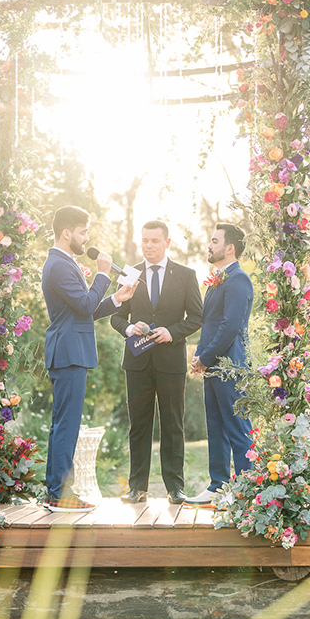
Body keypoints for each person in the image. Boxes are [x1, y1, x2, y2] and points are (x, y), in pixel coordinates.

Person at [42, 205, 136, 511]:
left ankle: (55, 491)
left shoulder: (64, 263)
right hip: (68, 352)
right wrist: (102, 275)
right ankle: (60, 493)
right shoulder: (58, 265)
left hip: (70, 349)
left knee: (63, 424)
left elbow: (86, 309)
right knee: (66, 425)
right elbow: (83, 306)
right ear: (67, 232)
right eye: (83, 232)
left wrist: (115, 299)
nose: (86, 238)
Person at [110, 220, 202, 505]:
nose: (148, 245)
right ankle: (137, 487)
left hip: (171, 361)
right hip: (137, 362)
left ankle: (176, 488)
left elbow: (197, 318)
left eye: (154, 241)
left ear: (167, 243)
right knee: (138, 425)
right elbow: (115, 315)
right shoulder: (130, 275)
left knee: (173, 426)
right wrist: (128, 328)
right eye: (144, 240)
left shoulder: (186, 275)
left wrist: (171, 332)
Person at [184, 222, 254, 506]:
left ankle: (247, 490)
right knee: (215, 427)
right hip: (214, 366)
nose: (209, 245)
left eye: (214, 241)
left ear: (229, 247)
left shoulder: (239, 279)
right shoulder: (217, 280)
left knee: (237, 428)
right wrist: (200, 357)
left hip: (232, 366)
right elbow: (210, 325)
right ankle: (218, 487)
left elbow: (230, 327)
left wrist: (205, 357)